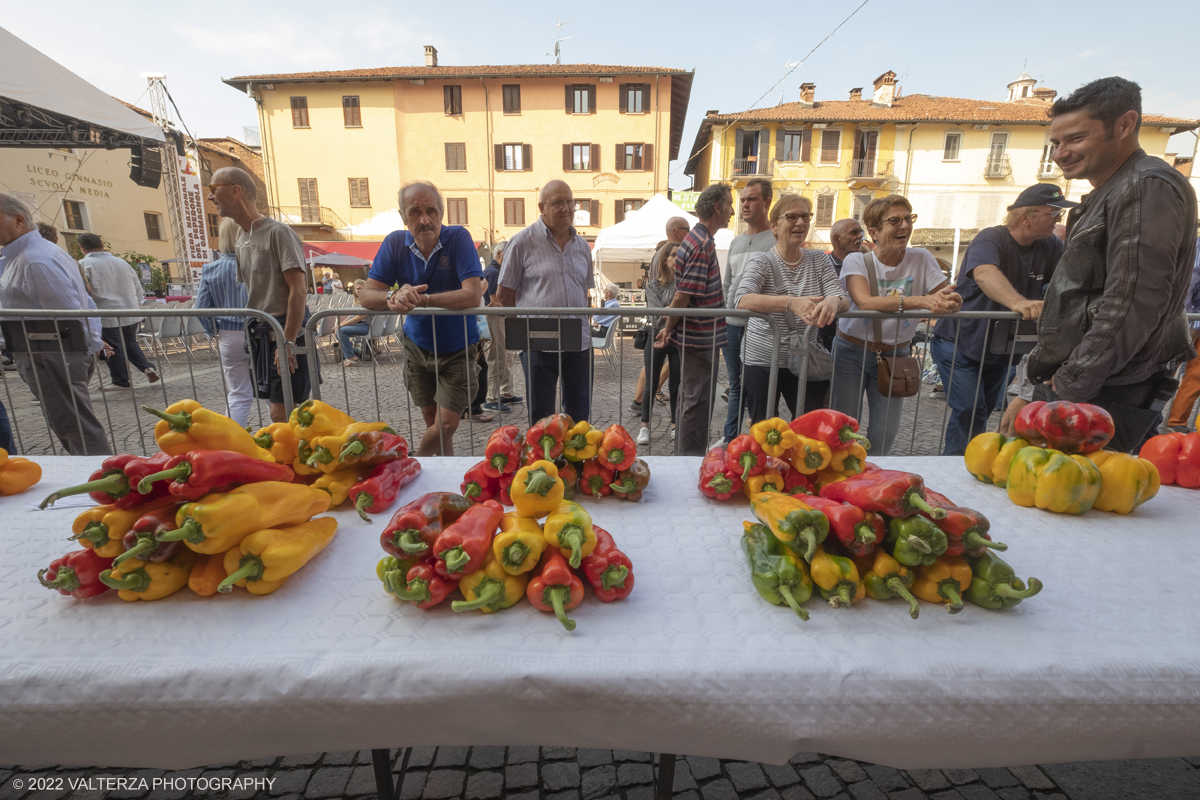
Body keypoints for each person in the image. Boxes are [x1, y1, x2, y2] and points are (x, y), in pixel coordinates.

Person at [1004, 77, 1198, 453]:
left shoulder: (1143, 186)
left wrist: (1065, 388)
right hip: (1090, 383)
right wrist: (1037, 388)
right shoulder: (1118, 188)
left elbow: (1130, 303)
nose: (1060, 153)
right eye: (1056, 143)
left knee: (1072, 504)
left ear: (1125, 125)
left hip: (1103, 388)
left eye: (1075, 138)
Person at [930, 184, 1072, 455]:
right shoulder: (991, 238)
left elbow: (1069, 280)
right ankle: (957, 462)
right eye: (1053, 212)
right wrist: (1019, 303)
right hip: (960, 342)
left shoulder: (1051, 245)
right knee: (970, 409)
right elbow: (984, 273)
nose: (1058, 219)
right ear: (1025, 217)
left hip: (1002, 349)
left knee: (981, 410)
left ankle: (972, 463)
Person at [830, 195, 962, 456]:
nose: (904, 226)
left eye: (908, 219)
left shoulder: (922, 258)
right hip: (851, 352)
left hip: (897, 355)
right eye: (894, 221)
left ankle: (873, 482)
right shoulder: (857, 260)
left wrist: (951, 301)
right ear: (875, 232)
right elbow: (865, 302)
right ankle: (841, 481)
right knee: (843, 428)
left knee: (885, 431)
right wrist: (923, 301)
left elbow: (943, 295)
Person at [361, 181, 484, 455]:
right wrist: (394, 297)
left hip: (458, 348)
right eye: (415, 212)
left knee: (447, 424)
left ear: (442, 213)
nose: (424, 219)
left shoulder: (458, 238)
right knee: (432, 421)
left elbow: (472, 295)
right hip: (417, 348)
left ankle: (412, 461)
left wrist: (423, 300)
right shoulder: (395, 242)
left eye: (431, 211)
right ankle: (444, 481)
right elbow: (367, 295)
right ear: (404, 216)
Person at [0, 193, 111, 455]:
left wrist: (91, 344)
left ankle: (104, 484)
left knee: (76, 428)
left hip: (51, 354)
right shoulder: (30, 255)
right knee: (71, 425)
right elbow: (84, 304)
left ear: (18, 220)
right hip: (47, 353)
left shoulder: (34, 259)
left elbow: (70, 314)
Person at [208, 167, 310, 423]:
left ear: (235, 191)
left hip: (286, 331)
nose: (210, 197)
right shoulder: (241, 239)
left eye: (213, 189)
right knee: (281, 409)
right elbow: (256, 294)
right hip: (261, 333)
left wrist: (286, 341)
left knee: (285, 410)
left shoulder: (279, 232)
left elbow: (298, 290)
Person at [735, 194, 848, 423]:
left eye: (805, 216)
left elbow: (842, 297)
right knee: (765, 427)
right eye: (792, 217)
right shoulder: (762, 261)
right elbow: (742, 299)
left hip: (807, 359)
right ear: (774, 226)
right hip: (762, 360)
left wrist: (833, 301)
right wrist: (791, 302)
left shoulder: (819, 260)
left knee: (810, 427)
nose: (800, 223)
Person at [498, 180, 595, 424]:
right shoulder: (521, 243)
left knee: (580, 416)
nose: (566, 208)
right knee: (541, 418)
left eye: (570, 202)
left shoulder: (583, 246)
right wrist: (522, 331)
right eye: (558, 203)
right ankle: (543, 462)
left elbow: (584, 290)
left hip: (579, 342)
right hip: (538, 343)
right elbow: (504, 293)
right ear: (542, 207)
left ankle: (575, 463)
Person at [654, 184, 732, 455]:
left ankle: (686, 457)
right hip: (700, 337)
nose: (732, 211)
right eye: (729, 205)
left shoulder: (696, 241)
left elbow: (682, 296)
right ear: (718, 208)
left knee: (692, 400)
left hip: (697, 336)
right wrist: (667, 328)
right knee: (697, 403)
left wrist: (669, 328)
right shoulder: (701, 244)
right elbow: (683, 296)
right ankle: (689, 460)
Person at [719, 178, 776, 445]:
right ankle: (731, 438)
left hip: (761, 326)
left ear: (767, 202)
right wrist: (725, 315)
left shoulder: (776, 241)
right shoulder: (735, 242)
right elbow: (727, 283)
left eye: (751, 199)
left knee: (757, 387)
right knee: (735, 384)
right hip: (732, 325)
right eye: (742, 200)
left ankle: (760, 439)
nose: (744, 205)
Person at [78, 232, 160, 391]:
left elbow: (83, 292)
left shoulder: (84, 264)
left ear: (82, 247)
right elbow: (138, 288)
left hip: (106, 312)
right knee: (130, 342)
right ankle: (147, 368)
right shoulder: (122, 262)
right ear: (102, 245)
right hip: (129, 310)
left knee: (112, 347)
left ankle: (120, 380)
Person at [195, 217, 254, 427]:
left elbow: (200, 308)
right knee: (270, 392)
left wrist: (213, 330)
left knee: (238, 393)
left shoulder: (211, 269)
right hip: (260, 331)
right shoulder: (256, 266)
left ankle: (230, 442)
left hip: (229, 335)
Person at [631, 216, 691, 416]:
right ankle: (641, 406)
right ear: (677, 231)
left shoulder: (680, 275)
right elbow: (659, 307)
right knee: (652, 373)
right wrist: (674, 312)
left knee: (670, 378)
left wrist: (672, 312)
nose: (689, 233)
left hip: (674, 333)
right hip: (660, 332)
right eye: (687, 229)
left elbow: (684, 305)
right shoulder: (661, 267)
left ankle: (669, 419)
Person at [636, 241, 681, 446]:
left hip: (679, 337)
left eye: (679, 255)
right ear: (664, 260)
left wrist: (669, 310)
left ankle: (675, 425)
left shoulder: (684, 285)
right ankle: (644, 426)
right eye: (672, 255)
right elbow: (655, 315)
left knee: (676, 384)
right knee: (651, 383)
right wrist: (676, 310)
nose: (676, 258)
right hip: (655, 336)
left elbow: (683, 313)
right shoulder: (653, 285)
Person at [481, 241, 520, 412]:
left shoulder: (495, 271)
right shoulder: (494, 272)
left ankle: (506, 392)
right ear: (499, 254)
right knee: (497, 357)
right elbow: (495, 302)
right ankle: (492, 397)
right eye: (508, 256)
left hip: (499, 317)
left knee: (505, 356)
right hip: (496, 318)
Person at [818, 218, 866, 353]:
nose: (860, 236)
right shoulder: (823, 265)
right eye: (853, 233)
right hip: (827, 339)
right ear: (836, 239)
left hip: (861, 340)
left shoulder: (868, 263)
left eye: (860, 232)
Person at [1166, 238, 1200, 432]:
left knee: (1195, 376)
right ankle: (1160, 419)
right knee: (1167, 368)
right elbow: (1188, 287)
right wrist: (1191, 325)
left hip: (1192, 321)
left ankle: (1176, 422)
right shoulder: (1196, 246)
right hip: (1183, 321)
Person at [336, 281, 370, 366]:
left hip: (366, 326)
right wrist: (339, 325)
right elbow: (352, 316)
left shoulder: (366, 301)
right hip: (361, 324)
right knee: (339, 331)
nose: (360, 291)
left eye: (362, 289)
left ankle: (351, 357)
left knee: (341, 331)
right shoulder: (358, 301)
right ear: (354, 290)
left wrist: (341, 325)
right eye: (358, 289)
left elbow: (359, 317)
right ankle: (349, 356)